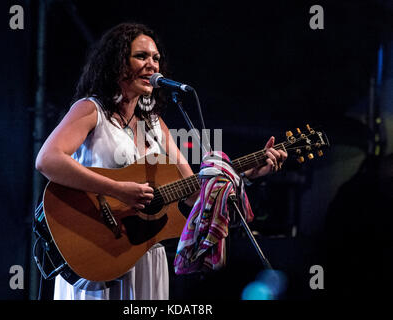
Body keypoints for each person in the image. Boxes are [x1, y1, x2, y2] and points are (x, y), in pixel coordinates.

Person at [35, 22, 287, 300]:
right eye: (141, 56)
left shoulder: (155, 124)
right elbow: (48, 160)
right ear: (117, 62)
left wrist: (247, 174)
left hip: (145, 256)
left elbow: (194, 193)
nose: (152, 65)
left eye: (156, 58)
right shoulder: (91, 110)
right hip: (97, 247)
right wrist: (117, 190)